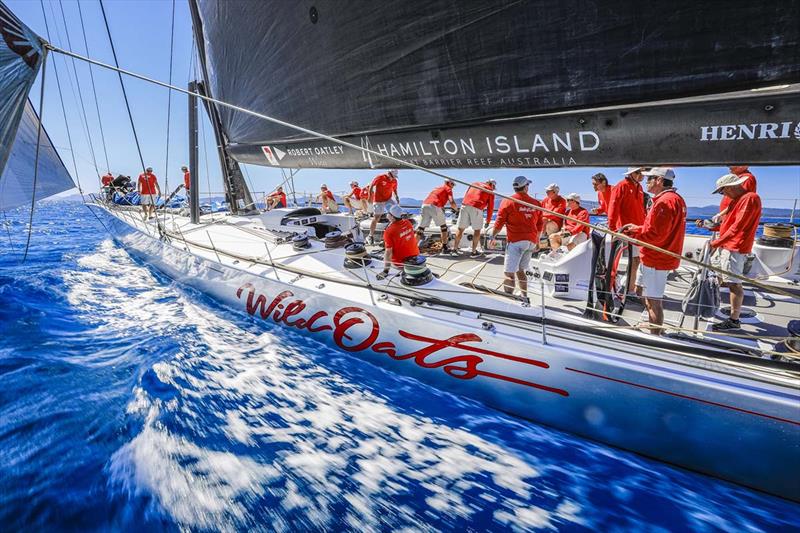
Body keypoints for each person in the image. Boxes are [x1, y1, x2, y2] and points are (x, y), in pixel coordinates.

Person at [621, 168, 686, 335]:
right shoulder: (675, 199)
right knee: (644, 294)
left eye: (649, 178)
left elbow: (655, 236)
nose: (646, 181)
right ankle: (653, 326)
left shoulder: (664, 202)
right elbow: (658, 229)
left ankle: (655, 337)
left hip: (657, 259)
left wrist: (633, 234)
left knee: (654, 302)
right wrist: (638, 228)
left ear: (659, 180)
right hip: (659, 257)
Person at [707, 173, 762, 331]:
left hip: (734, 247)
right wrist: (710, 227)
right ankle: (718, 308)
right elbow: (729, 224)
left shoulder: (749, 198)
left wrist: (716, 243)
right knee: (725, 279)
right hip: (728, 245)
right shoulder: (738, 200)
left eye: (722, 191)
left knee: (734, 285)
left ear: (730, 187)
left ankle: (733, 320)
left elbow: (738, 227)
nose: (723, 195)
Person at [488, 176, 542, 305]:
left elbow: (499, 222)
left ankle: (507, 301)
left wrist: (492, 237)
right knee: (521, 271)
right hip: (531, 242)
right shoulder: (536, 203)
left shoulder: (508, 201)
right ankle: (524, 297)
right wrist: (538, 242)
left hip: (516, 241)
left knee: (508, 273)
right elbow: (540, 225)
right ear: (526, 187)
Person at [608, 167, 647, 293]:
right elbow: (613, 208)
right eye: (639, 172)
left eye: (643, 173)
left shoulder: (639, 188)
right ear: (632, 173)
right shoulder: (621, 186)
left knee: (636, 260)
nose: (642, 175)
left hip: (638, 231)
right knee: (631, 260)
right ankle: (627, 290)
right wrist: (613, 230)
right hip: (626, 231)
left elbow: (640, 209)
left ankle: (629, 288)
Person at [453, 179, 495, 257]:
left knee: (460, 228)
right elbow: (490, 208)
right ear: (492, 185)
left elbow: (466, 194)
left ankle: (454, 249)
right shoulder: (490, 190)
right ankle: (473, 252)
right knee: (477, 230)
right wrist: (488, 221)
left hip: (464, 205)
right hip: (477, 207)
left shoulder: (474, 183)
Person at [377, 204, 419, 280]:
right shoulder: (408, 223)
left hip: (400, 263)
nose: (387, 214)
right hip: (415, 257)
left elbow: (388, 252)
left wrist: (385, 271)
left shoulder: (389, 232)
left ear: (392, 217)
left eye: (388, 213)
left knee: (384, 255)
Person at [417, 178, 458, 253]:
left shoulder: (437, 188)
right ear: (448, 183)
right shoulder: (448, 189)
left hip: (424, 205)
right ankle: (445, 247)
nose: (453, 186)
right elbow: (452, 202)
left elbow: (435, 197)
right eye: (452, 184)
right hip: (434, 206)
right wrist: (457, 210)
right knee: (443, 227)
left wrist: (441, 207)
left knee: (421, 228)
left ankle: (413, 248)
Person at [368, 169, 400, 244]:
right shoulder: (380, 177)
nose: (393, 178)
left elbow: (394, 190)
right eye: (392, 176)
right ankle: (370, 235)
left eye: (394, 177)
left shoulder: (394, 180)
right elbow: (371, 185)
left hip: (388, 199)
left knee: (396, 213)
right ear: (389, 173)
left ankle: (392, 233)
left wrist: (396, 197)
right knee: (377, 218)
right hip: (378, 200)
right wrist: (370, 196)